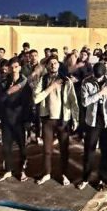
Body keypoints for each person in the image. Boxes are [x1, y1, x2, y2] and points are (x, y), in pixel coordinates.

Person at [33, 55, 79, 185]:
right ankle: (46, 173)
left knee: (64, 150)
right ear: (47, 66)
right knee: (47, 150)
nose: (53, 65)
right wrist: (51, 87)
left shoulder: (66, 81)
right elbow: (36, 98)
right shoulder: (43, 80)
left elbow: (73, 101)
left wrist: (75, 119)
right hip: (47, 120)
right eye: (51, 63)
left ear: (59, 65)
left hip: (62, 120)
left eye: (55, 63)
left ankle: (63, 174)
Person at [79, 60, 107, 189]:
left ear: (105, 74)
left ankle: (103, 178)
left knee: (106, 152)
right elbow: (85, 102)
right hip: (92, 121)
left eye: (100, 76)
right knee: (89, 151)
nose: (98, 78)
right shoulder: (86, 82)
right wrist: (100, 93)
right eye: (96, 76)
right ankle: (85, 178)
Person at [0, 59, 32, 182]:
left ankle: (22, 170)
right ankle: (8, 170)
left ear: (20, 67)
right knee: (6, 147)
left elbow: (28, 103)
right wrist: (8, 92)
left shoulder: (25, 84)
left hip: (20, 120)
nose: (14, 69)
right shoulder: (4, 82)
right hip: (6, 119)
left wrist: (28, 121)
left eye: (16, 66)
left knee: (22, 147)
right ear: (9, 68)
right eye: (11, 67)